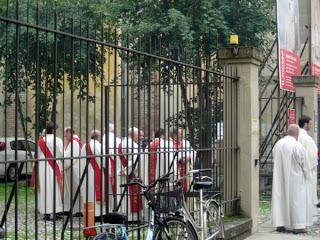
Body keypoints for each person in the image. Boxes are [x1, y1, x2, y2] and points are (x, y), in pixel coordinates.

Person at [272, 124, 311, 233]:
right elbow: (306, 166)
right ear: (297, 134)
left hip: (280, 178)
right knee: (296, 201)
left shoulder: (278, 144)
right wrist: (309, 178)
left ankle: (280, 224)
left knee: (280, 198)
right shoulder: (297, 146)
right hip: (296, 180)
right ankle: (298, 226)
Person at [37, 122, 64, 220]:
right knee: (55, 188)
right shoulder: (58, 140)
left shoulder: (40, 141)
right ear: (53, 130)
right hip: (55, 165)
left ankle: (46, 213)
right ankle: (56, 212)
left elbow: (38, 154)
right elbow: (62, 154)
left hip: (43, 166)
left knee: (45, 188)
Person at [117, 127, 143, 222]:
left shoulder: (121, 143)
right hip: (132, 175)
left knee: (124, 196)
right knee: (131, 195)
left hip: (122, 173)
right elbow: (135, 161)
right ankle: (133, 218)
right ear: (134, 135)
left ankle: (124, 216)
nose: (138, 138)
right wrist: (128, 170)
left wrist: (122, 170)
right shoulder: (132, 145)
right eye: (137, 135)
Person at [80, 129, 107, 219]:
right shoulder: (99, 146)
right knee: (95, 193)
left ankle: (89, 213)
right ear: (98, 137)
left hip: (86, 173)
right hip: (96, 173)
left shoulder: (84, 146)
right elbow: (104, 162)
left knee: (88, 193)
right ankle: (98, 214)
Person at [298, 115, 318, 225]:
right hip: (308, 170)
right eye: (310, 123)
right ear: (305, 124)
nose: (311, 125)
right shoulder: (306, 138)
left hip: (297, 171)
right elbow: (312, 156)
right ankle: (309, 216)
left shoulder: (296, 135)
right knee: (309, 193)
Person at [102, 123, 121, 211]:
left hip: (107, 163)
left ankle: (109, 207)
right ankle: (115, 206)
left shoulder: (103, 138)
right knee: (115, 186)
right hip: (115, 163)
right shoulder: (117, 139)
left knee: (108, 186)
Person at [63, 127, 82, 216]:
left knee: (75, 189)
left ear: (70, 132)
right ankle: (70, 208)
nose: (65, 136)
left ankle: (78, 210)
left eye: (66, 133)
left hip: (73, 169)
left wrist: (62, 163)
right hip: (71, 169)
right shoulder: (72, 142)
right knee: (70, 190)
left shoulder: (74, 142)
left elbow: (71, 157)